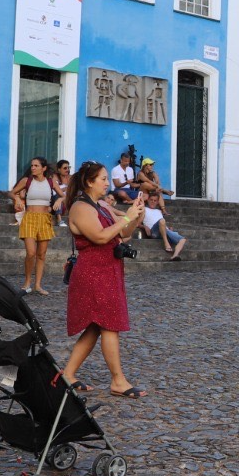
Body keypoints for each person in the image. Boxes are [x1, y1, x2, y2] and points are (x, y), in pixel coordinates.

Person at [59, 161, 147, 399]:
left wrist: (137, 215)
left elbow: (123, 234)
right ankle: (118, 381)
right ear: (89, 181)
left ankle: (68, 374)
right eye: (103, 179)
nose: (108, 183)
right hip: (93, 273)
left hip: (107, 271)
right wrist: (126, 218)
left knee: (96, 326)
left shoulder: (100, 205)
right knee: (108, 324)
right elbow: (99, 237)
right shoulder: (80, 207)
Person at [13, 157, 61, 295]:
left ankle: (38, 285)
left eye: (36, 165)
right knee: (31, 252)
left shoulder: (51, 182)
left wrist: (59, 201)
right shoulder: (26, 181)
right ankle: (27, 282)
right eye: (32, 165)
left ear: (43, 168)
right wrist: (16, 198)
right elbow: (12, 192)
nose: (33, 168)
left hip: (45, 218)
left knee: (41, 254)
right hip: (30, 217)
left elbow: (64, 195)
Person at [141, 190, 186, 259]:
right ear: (148, 200)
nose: (153, 202)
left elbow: (162, 223)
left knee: (183, 240)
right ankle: (166, 243)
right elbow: (136, 223)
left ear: (157, 202)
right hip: (154, 231)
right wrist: (144, 226)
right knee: (162, 221)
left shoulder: (159, 211)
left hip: (164, 230)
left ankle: (175, 255)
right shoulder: (144, 209)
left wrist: (168, 229)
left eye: (155, 200)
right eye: (151, 200)